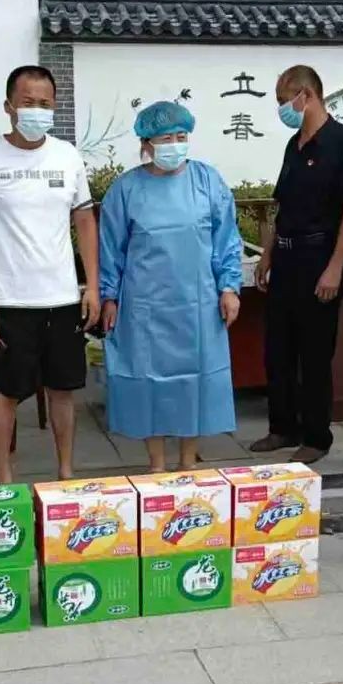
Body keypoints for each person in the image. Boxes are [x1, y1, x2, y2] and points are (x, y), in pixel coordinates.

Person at [0, 64, 99, 484]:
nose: (37, 111)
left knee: (63, 390)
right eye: (27, 103)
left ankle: (66, 471)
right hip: (9, 301)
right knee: (5, 392)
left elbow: (85, 223)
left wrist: (92, 286)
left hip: (63, 297)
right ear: (8, 106)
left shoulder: (67, 157)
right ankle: (5, 476)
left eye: (45, 104)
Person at [98, 101, 243, 473]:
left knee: (194, 381)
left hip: (198, 304)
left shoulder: (207, 181)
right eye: (165, 138)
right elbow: (111, 247)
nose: (175, 145)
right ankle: (156, 463)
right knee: (149, 382)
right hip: (144, 307)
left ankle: (188, 460)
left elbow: (226, 239)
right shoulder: (126, 190)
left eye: (181, 136)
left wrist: (229, 287)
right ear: (146, 143)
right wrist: (108, 296)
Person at [250, 65, 343, 465]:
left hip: (320, 256)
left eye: (285, 100)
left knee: (314, 354)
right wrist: (267, 254)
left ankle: (317, 435)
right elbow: (280, 206)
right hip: (286, 256)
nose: (283, 108)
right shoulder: (294, 145)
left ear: (307, 95)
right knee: (278, 349)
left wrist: (335, 267)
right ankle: (282, 427)